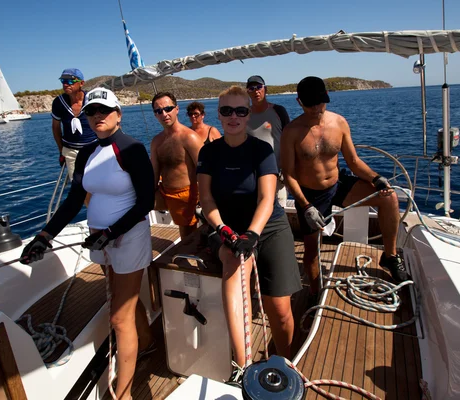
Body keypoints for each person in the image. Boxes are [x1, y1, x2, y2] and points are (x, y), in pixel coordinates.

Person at [22, 87, 155, 400]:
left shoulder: (132, 149)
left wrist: (111, 232)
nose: (97, 117)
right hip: (102, 240)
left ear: (118, 116)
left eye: (104, 111)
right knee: (125, 303)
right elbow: (71, 202)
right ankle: (146, 340)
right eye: (92, 112)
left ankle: (123, 394)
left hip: (128, 237)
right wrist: (44, 236)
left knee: (119, 317)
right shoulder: (85, 153)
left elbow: (145, 202)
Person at [197, 86, 302, 387]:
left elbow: (267, 199)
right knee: (233, 265)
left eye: (240, 111)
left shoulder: (261, 150)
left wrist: (253, 234)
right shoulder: (209, 152)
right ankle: (243, 369)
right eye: (226, 111)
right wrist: (226, 231)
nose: (233, 116)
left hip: (267, 226)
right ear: (218, 114)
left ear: (248, 113)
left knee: (279, 311)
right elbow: (206, 200)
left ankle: (285, 362)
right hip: (226, 227)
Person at [281, 76, 408, 301]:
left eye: (321, 102)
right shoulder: (291, 132)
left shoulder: (339, 122)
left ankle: (390, 256)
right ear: (299, 101)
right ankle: (314, 294)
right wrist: (306, 206)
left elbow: (354, 162)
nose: (317, 108)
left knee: (388, 198)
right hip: (310, 196)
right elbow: (289, 175)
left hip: (338, 185)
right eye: (311, 104)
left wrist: (376, 178)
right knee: (311, 252)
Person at [150, 92, 204, 239]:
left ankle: (187, 257)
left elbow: (205, 171)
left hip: (186, 196)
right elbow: (154, 173)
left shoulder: (189, 137)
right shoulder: (156, 141)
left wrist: (204, 199)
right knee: (133, 204)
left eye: (168, 108)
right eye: (159, 111)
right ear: (155, 114)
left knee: (187, 238)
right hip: (164, 192)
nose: (164, 113)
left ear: (177, 109)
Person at [246, 75, 291, 208]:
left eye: (259, 87)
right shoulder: (243, 114)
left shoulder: (278, 111)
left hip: (278, 174)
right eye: (251, 88)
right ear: (247, 92)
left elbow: (288, 140)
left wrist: (287, 169)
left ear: (265, 89)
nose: (256, 91)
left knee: (279, 211)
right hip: (252, 176)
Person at [51, 68, 97, 180]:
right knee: (77, 185)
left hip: (94, 149)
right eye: (63, 81)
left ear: (81, 83)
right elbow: (56, 128)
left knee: (97, 182)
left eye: (70, 81)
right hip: (71, 151)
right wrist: (61, 151)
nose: (66, 84)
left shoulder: (91, 101)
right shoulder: (58, 103)